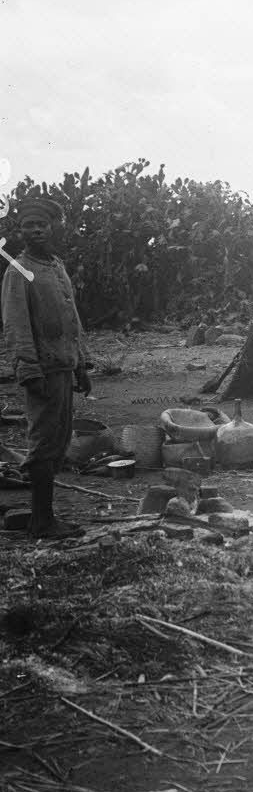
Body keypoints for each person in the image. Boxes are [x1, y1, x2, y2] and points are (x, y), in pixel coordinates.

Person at [2, 197, 92, 539]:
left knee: (59, 439)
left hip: (64, 366)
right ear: (19, 232)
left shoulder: (56, 266)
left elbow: (72, 319)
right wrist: (28, 371)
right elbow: (16, 326)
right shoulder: (18, 271)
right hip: (42, 370)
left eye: (41, 224)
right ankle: (42, 521)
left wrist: (81, 364)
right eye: (29, 225)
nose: (36, 230)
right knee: (43, 442)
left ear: (52, 228)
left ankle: (45, 517)